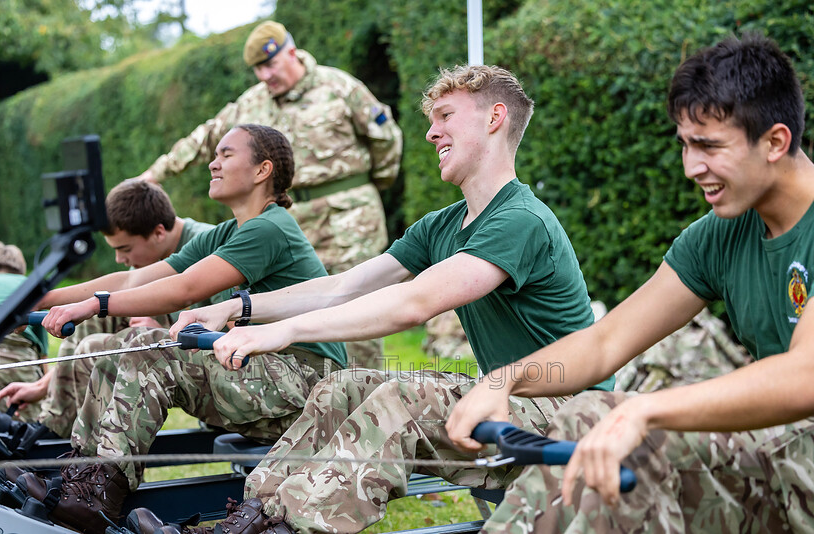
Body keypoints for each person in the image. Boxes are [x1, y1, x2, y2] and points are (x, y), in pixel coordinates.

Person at [129, 64, 615, 534]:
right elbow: (345, 286)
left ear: (494, 118)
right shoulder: (442, 225)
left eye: (445, 116)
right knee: (342, 386)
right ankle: (252, 518)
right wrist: (237, 308)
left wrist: (284, 332)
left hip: (568, 411)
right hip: (509, 396)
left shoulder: (521, 220)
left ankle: (292, 528)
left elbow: (413, 303)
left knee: (405, 397)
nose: (431, 133)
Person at [445, 33, 814, 532]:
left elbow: (804, 375)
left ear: (775, 142)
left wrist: (645, 412)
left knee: (642, 439)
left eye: (708, 146)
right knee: (591, 415)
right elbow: (604, 344)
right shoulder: (720, 236)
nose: (691, 167)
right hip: (780, 451)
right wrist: (503, 380)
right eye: (685, 145)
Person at [15, 124, 347, 534]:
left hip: (306, 383)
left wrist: (95, 305)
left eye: (226, 154)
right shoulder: (230, 231)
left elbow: (182, 290)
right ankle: (83, 478)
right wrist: (42, 298)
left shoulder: (270, 228)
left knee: (151, 351)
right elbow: (138, 279)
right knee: (125, 344)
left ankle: (98, 496)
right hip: (261, 367)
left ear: (263, 170)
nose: (213, 162)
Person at [135, 20, 403, 368]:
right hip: (290, 217)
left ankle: (366, 390)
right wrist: (155, 175)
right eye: (258, 69)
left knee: (356, 303)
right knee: (297, 305)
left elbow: (386, 139)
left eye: (270, 64)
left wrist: (365, 187)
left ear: (291, 51)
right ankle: (317, 396)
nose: (265, 75)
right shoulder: (251, 104)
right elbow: (205, 138)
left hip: (348, 216)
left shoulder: (339, 87)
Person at [0, 179, 218, 439]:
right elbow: (122, 284)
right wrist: (43, 386)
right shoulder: (156, 255)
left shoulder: (208, 246)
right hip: (186, 360)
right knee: (96, 320)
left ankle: (62, 444)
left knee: (103, 342)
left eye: (125, 249)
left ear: (159, 232)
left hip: (219, 372)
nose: (120, 259)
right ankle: (51, 427)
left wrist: (164, 333)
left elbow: (229, 326)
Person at [0, 241, 47, 420]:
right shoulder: (26, 285)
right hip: (11, 356)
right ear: (20, 269)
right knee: (22, 436)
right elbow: (43, 358)